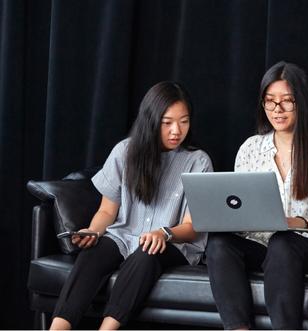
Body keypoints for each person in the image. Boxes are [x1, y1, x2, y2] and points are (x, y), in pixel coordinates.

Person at [49, 81, 213, 330]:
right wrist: (93, 232)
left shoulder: (198, 161)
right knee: (93, 254)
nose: (176, 131)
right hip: (123, 235)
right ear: (150, 120)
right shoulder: (124, 152)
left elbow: (193, 228)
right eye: (167, 122)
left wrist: (164, 233)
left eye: (184, 121)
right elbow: (107, 212)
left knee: (149, 251)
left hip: (173, 243)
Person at [205, 61, 308, 329]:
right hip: (262, 244)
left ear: (302, 102)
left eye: (287, 101)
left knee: (284, 242)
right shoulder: (251, 148)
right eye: (270, 101)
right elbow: (239, 209)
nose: (277, 109)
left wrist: (297, 222)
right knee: (218, 243)